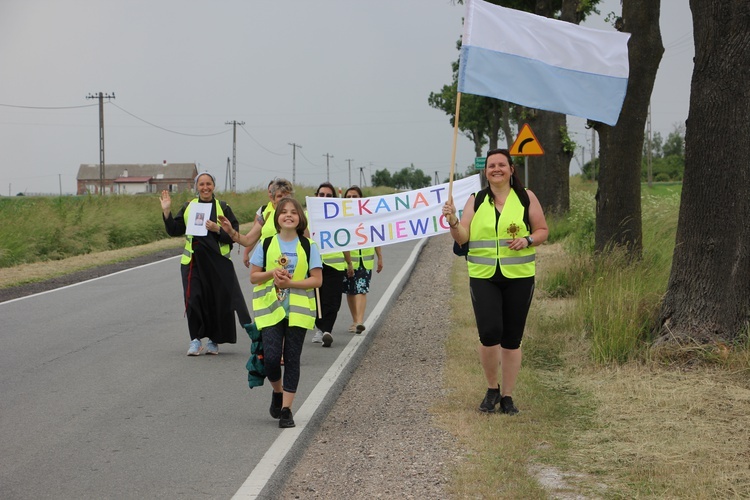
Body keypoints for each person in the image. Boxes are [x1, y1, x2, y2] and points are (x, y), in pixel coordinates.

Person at [442, 148, 548, 415]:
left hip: (519, 277)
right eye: (491, 166)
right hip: (483, 277)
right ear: (485, 171)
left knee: (512, 339)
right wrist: (453, 220)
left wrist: (528, 240)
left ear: (512, 169)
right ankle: (492, 389)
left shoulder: (526, 197)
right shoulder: (475, 200)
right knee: (489, 334)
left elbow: (542, 230)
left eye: (502, 164)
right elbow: (462, 237)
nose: (496, 169)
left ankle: (508, 396)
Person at [228, 197, 322, 428]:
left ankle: (287, 410)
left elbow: (317, 280)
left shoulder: (309, 246)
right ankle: (277, 392)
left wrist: (291, 284)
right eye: (284, 212)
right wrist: (273, 274)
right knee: (271, 359)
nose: (289, 215)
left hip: (298, 311)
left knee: (292, 359)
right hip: (270, 308)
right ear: (277, 218)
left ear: (300, 218)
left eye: (294, 212)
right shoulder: (267, 244)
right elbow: (253, 277)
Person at [160, 171, 252, 356]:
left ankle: (213, 340)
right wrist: (167, 211)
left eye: (208, 183)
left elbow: (234, 236)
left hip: (217, 264)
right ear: (197, 187)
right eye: (201, 184)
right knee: (193, 299)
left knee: (216, 302)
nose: (205, 187)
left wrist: (218, 229)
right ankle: (195, 340)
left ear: (214, 186)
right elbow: (174, 230)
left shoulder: (223, 207)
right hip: (192, 263)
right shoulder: (189, 206)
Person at [310, 182, 354, 347]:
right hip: (315, 264)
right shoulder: (309, 216)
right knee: (318, 300)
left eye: (328, 196)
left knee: (333, 301)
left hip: (335, 266)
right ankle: (320, 329)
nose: (324, 198)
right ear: (316, 196)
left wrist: (349, 264)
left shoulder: (339, 218)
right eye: (321, 195)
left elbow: (345, 242)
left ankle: (327, 330)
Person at [341, 185, 383, 334]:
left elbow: (375, 236)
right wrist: (348, 262)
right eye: (348, 197)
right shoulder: (341, 217)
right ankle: (354, 320)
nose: (351, 199)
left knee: (362, 289)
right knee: (350, 291)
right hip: (348, 260)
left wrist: (380, 257)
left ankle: (360, 321)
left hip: (365, 261)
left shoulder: (368, 217)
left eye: (355, 197)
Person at [241, 179, 294, 268]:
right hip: (267, 261)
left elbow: (307, 241)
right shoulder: (264, 212)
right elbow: (252, 237)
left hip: (291, 262)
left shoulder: (298, 215)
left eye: (286, 195)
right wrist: (246, 252)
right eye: (279, 196)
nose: (283, 199)